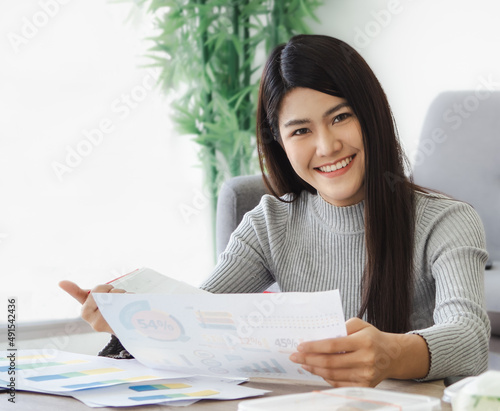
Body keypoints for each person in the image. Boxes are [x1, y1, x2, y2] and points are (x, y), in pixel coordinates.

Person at [60, 34, 491, 387]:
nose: (327, 146)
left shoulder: (446, 221)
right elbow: (201, 317)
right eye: (301, 130)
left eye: (340, 117)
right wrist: (136, 323)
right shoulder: (270, 223)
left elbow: (470, 339)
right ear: (281, 145)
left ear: (371, 114)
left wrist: (392, 353)